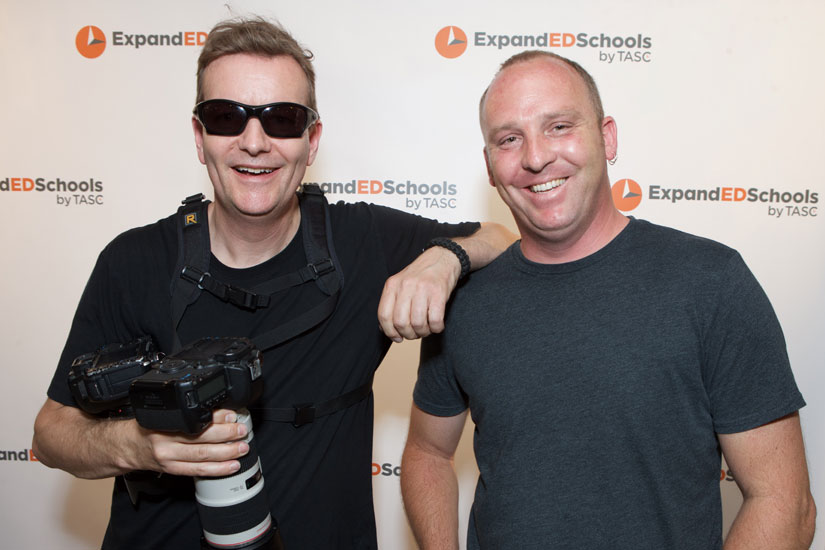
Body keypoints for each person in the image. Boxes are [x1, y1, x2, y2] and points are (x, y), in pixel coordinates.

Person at [31, 17, 514, 550]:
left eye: (282, 119)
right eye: (225, 117)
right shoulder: (133, 260)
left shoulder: (361, 240)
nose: (254, 142)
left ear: (312, 142)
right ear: (200, 137)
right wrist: (139, 445)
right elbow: (52, 434)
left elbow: (499, 237)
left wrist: (444, 259)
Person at [401, 50, 816, 550]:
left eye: (558, 126)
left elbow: (784, 502)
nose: (535, 157)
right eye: (509, 139)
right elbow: (428, 452)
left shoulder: (710, 281)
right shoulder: (464, 299)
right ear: (490, 166)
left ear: (608, 137)